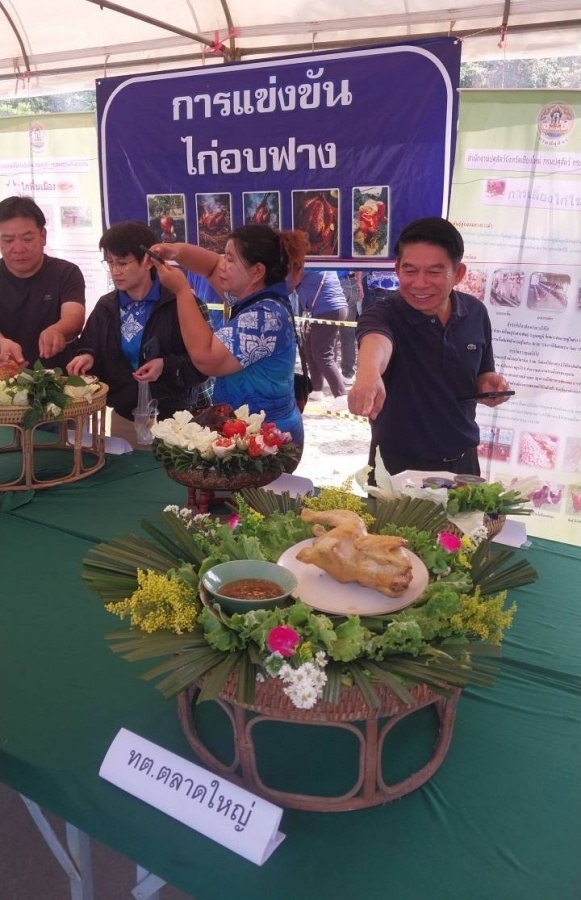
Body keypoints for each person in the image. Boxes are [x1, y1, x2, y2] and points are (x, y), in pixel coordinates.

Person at [348, 216, 511, 476]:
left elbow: (483, 372)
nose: (420, 283)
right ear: (397, 269)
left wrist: (488, 384)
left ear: (458, 273)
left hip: (464, 463)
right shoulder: (383, 314)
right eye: (410, 271)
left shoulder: (475, 312)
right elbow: (376, 342)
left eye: (434, 272)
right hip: (398, 469)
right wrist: (368, 374)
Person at [148, 224, 307, 448]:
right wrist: (176, 251)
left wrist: (182, 291)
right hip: (247, 432)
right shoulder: (255, 296)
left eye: (230, 259)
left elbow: (206, 359)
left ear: (257, 272)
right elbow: (211, 266)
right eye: (225, 255)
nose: (222, 264)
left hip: (269, 440)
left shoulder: (265, 316)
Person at [67, 221, 210, 448]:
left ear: (148, 261)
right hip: (125, 417)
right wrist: (87, 356)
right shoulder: (106, 306)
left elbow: (204, 365)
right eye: (110, 262)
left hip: (177, 422)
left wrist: (166, 365)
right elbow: (89, 345)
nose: (115, 271)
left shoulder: (180, 302)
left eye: (123, 263)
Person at [0, 195, 85, 369]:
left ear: (43, 236)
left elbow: (74, 318)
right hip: (5, 376)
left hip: (56, 377)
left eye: (27, 239)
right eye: (8, 240)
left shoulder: (66, 272)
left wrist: (57, 330)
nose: (19, 249)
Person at [292, 268, 348, 402]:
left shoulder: (304, 266)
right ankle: (316, 389)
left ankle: (341, 396)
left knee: (322, 354)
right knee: (309, 349)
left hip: (327, 309)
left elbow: (288, 285)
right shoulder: (321, 264)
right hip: (328, 309)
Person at [337, 269, 363, 383]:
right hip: (349, 284)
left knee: (329, 332)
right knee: (348, 333)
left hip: (331, 283)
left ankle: (329, 371)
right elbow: (359, 263)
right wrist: (359, 283)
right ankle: (348, 373)